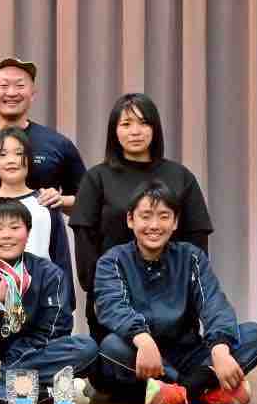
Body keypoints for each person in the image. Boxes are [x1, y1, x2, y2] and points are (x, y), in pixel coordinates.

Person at [94, 181, 257, 404]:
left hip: (190, 354)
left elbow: (213, 303)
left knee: (255, 335)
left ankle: (176, 392)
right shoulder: (112, 260)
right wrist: (143, 338)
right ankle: (202, 389)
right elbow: (112, 306)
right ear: (130, 220)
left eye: (164, 217)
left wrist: (219, 347)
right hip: (142, 352)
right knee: (112, 347)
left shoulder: (191, 257)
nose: (154, 225)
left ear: (175, 222)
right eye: (146, 216)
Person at [71, 93, 214, 341]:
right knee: (116, 351)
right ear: (114, 131)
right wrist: (101, 292)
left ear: (155, 128)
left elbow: (197, 241)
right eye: (126, 124)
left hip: (174, 301)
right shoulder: (96, 178)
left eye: (144, 123)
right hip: (115, 295)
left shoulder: (180, 176)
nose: (135, 132)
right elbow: (85, 244)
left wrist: (187, 295)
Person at [0, 200, 96, 403]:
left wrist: (16, 357)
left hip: (33, 356)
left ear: (28, 233)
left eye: (15, 228)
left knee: (86, 347)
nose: (6, 235)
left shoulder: (50, 274)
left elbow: (57, 329)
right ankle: (34, 392)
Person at [0, 56, 86, 226]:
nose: (11, 93)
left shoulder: (59, 144)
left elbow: (89, 204)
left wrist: (60, 200)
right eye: (4, 86)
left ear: (33, 94)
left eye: (20, 86)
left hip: (45, 242)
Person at [0, 126, 74, 307]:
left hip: (41, 307)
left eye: (18, 153)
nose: (11, 160)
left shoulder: (46, 204)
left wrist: (66, 304)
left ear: (29, 159)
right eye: (3, 154)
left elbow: (61, 259)